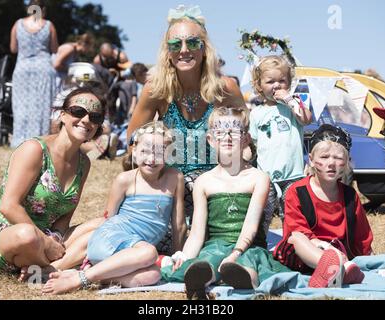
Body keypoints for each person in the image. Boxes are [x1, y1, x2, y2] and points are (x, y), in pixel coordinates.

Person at [126, 5, 246, 253]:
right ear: (167, 52)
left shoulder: (227, 89)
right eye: (175, 45)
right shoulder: (155, 90)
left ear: (204, 49)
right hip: (171, 186)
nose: (184, 50)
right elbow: (132, 142)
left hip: (218, 186)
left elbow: (248, 143)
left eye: (192, 43)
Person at [42, 121, 187, 295]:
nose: (151, 159)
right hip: (114, 238)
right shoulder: (124, 179)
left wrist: (177, 254)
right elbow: (108, 219)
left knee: (152, 275)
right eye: (145, 151)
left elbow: (178, 223)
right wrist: (77, 245)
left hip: (132, 252)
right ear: (134, 151)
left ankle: (85, 274)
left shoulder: (175, 178)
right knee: (150, 253)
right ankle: (79, 280)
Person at [161, 106, 290, 300]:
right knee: (209, 258)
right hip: (215, 245)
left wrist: (236, 253)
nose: (228, 137)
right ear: (211, 140)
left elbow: (251, 227)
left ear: (246, 139)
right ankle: (203, 277)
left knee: (247, 261)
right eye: (220, 132)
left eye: (235, 132)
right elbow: (197, 233)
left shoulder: (258, 178)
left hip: (249, 246)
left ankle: (245, 277)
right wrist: (184, 256)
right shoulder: (203, 182)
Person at [0, 87, 106, 278]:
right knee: (27, 235)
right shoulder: (34, 149)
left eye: (95, 117)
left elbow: (64, 218)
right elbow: (9, 206)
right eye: (78, 112)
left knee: (104, 224)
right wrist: (45, 242)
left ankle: (44, 270)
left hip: (47, 240)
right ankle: (57, 267)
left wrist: (55, 238)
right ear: (62, 115)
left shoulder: (83, 163)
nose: (86, 120)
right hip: (10, 236)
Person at [273, 124, 373, 288]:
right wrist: (327, 251)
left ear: (347, 162)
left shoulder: (350, 195)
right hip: (305, 254)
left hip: (341, 253)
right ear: (311, 160)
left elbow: (362, 237)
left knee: (337, 256)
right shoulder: (297, 192)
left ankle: (336, 271)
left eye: (338, 158)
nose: (331, 163)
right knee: (296, 238)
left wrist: (367, 258)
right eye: (324, 157)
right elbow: (296, 229)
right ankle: (335, 268)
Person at [249, 55, 312, 229]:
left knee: (293, 216)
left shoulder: (293, 107)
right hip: (266, 176)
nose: (277, 85)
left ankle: (291, 247)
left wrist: (290, 100)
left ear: (289, 83)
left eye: (282, 81)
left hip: (294, 175)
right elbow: (252, 144)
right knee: (262, 215)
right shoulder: (256, 113)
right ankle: (259, 246)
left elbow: (306, 119)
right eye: (270, 82)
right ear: (259, 85)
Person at [9, 0, 58, 148]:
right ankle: (39, 140)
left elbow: (13, 48)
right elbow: (55, 49)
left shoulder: (18, 24)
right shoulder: (48, 25)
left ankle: (20, 140)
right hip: (43, 68)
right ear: (43, 9)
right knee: (42, 106)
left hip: (23, 68)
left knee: (21, 105)